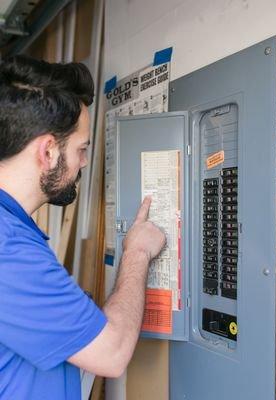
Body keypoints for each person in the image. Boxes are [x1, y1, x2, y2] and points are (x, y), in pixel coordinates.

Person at [0, 55, 166, 400]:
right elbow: (113, 353)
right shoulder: (8, 248)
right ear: (48, 151)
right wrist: (136, 252)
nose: (85, 162)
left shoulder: (14, 228)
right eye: (82, 148)